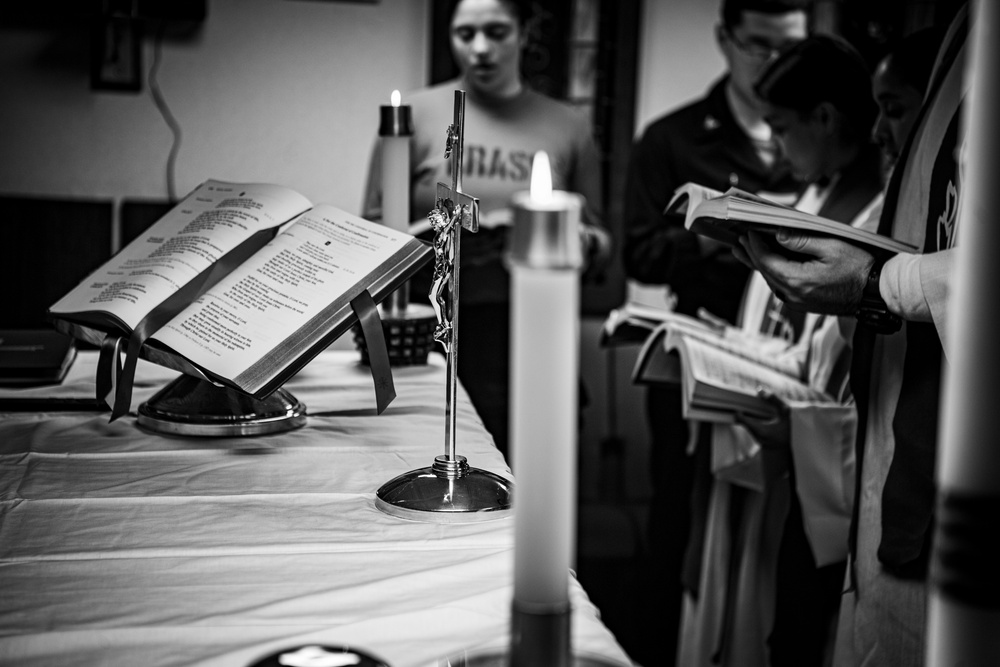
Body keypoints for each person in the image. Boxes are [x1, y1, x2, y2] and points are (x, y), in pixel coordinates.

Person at [733, 5, 970, 665]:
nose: (880, 132)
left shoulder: (874, 223)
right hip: (830, 468)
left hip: (878, 480)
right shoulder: (832, 203)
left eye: (896, 111)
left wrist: (878, 287)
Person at [676, 34, 884, 667]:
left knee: (782, 627)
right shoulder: (814, 197)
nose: (773, 145)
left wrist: (795, 429)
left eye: (782, 127)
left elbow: (850, 375)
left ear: (825, 117)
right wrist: (718, 340)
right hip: (766, 449)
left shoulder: (871, 221)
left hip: (802, 460)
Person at [621, 1, 808, 659]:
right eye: (759, 45)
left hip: (792, 363)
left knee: (774, 534)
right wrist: (723, 241)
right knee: (679, 521)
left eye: (789, 47)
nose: (774, 63)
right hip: (697, 359)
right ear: (725, 41)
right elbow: (637, 250)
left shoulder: (823, 138)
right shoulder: (671, 139)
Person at [362, 0, 611, 458]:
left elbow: (599, 239)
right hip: (426, 320)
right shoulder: (413, 115)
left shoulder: (567, 124)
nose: (479, 48)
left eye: (496, 32)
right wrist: (441, 229)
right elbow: (375, 231)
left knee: (528, 460)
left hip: (526, 323)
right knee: (418, 454)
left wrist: (557, 233)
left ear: (524, 31)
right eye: (465, 34)